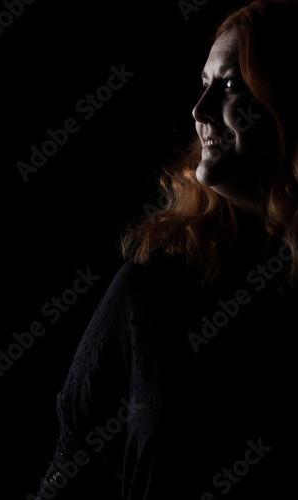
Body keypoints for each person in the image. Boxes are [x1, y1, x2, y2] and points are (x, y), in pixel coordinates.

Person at [33, 1, 297, 498]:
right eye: (204, 84)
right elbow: (71, 460)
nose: (199, 111)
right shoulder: (154, 289)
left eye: (229, 85)